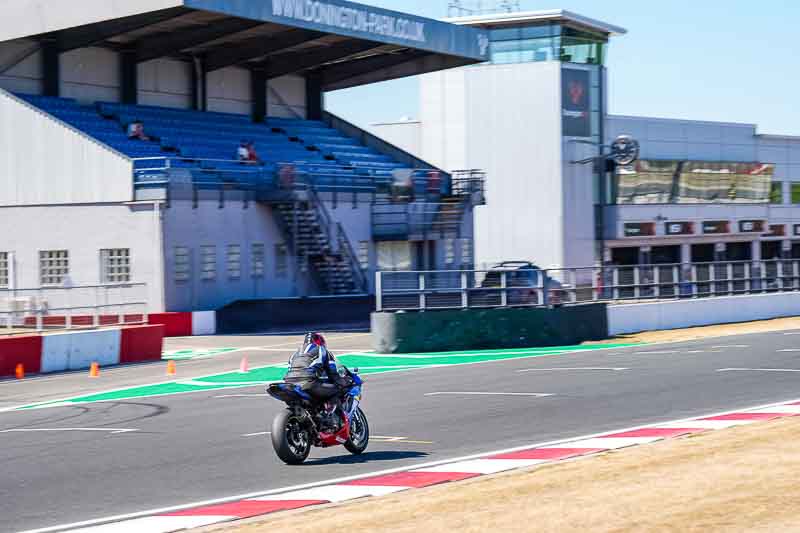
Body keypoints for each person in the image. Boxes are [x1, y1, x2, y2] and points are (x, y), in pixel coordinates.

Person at [284, 333, 349, 401]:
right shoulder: (323, 351)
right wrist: (343, 382)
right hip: (308, 383)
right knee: (339, 390)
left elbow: (289, 369)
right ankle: (334, 410)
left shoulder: (295, 354)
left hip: (289, 384)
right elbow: (333, 372)